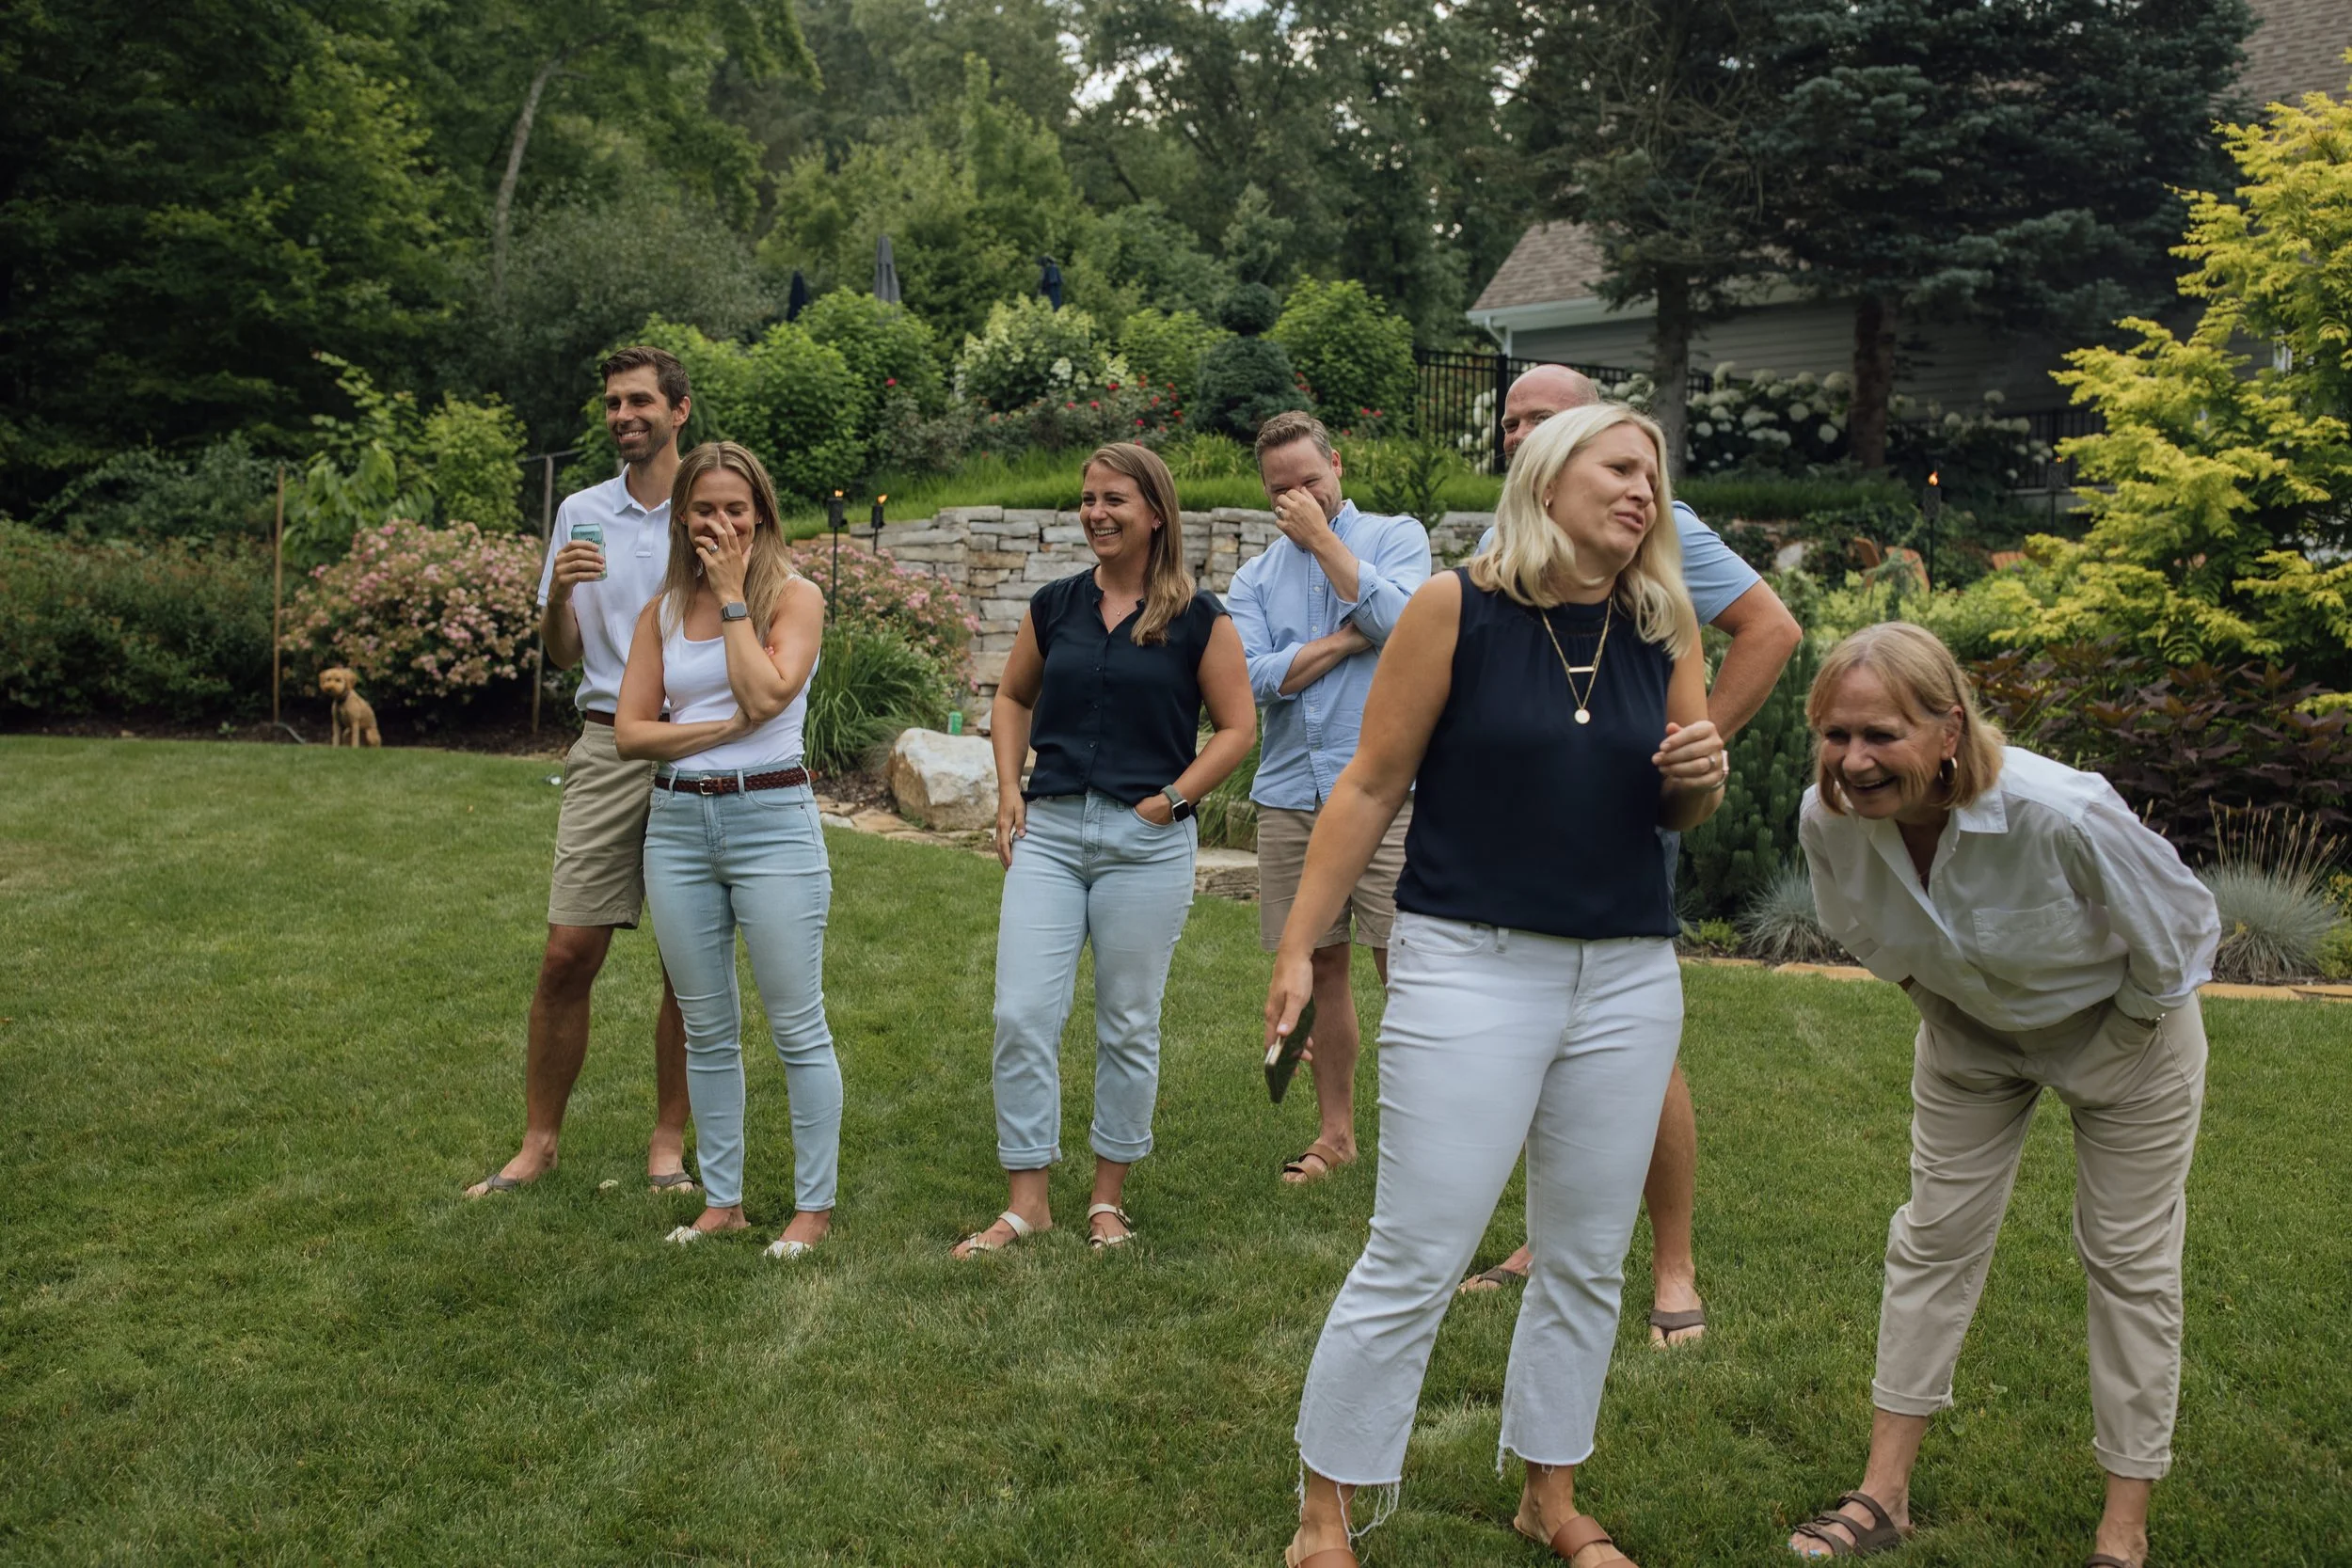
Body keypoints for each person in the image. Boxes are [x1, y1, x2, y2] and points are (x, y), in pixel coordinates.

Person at [1269, 404, 1729, 1568]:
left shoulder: (1662, 623)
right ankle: (1323, 1513)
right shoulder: (1453, 607)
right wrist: (1298, 945)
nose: (1642, 489)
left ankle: (1549, 1492)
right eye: (1619, 466)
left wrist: (1702, 775)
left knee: (1584, 1252)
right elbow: (1369, 785)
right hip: (1467, 960)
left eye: (1653, 474)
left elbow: (1677, 805)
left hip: (1627, 971)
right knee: (1416, 1248)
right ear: (1548, 476)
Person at [1787, 622, 2218, 1568]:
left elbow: (2183, 928)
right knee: (1932, 1237)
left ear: (1949, 729)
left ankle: (2122, 1531)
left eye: (1880, 734)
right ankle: (1883, 1494)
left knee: (2127, 1259)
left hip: (2123, 1029)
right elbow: (1859, 924)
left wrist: (2123, 1034)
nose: (1853, 761)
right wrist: (1935, 999)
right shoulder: (1830, 818)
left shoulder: (2057, 811)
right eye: (1834, 734)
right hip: (1969, 1032)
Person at [1456, 364, 1802, 1348]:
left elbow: (1770, 627)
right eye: (1510, 420)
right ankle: (1546, 1236)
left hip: (1620, 831)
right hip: (1519, 846)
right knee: (1538, 1033)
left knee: (1638, 1047)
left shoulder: (1656, 525)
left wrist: (1687, 748)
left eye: (1541, 417)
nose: (1518, 433)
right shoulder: (1504, 541)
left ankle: (1673, 1263)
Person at [953, 442, 1256, 1257]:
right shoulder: (1055, 604)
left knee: (1127, 1020)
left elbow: (1237, 728)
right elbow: (1013, 696)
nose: (1096, 513)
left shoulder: (1201, 618)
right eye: (1088, 499)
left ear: (1155, 512)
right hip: (1050, 835)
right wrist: (1009, 786)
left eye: (1114, 499)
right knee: (1021, 1012)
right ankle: (1027, 1203)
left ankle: (1107, 1201)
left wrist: (1174, 799)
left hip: (1145, 842)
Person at [467, 347, 696, 1198]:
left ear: (678, 409)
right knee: (567, 952)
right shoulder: (581, 510)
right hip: (606, 744)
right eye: (611, 403)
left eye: (639, 400)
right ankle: (539, 1144)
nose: (622, 416)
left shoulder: (709, 502)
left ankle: (668, 1144)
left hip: (697, 746)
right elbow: (563, 654)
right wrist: (559, 595)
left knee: (688, 964)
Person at [612, 441, 841, 1257]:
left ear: (762, 514)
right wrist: (712, 733)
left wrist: (736, 596)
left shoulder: (796, 598)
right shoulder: (664, 612)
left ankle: (812, 1208)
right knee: (706, 1026)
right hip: (677, 826)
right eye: (704, 509)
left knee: (796, 1024)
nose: (721, 524)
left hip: (771, 819)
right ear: (683, 517)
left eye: (736, 509)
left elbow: (767, 692)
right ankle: (724, 1202)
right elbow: (631, 732)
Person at [1225, 411, 1433, 1186]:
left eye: (1310, 481)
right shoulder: (1253, 578)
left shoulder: (1395, 537)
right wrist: (1350, 638)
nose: (1297, 498)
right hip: (1291, 794)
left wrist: (1323, 543)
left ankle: (1428, 1140)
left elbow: (1409, 627)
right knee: (1318, 963)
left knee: (1405, 963)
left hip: (1388, 792)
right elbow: (1251, 680)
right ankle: (1335, 1135)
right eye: (1280, 490)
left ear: (1336, 465)